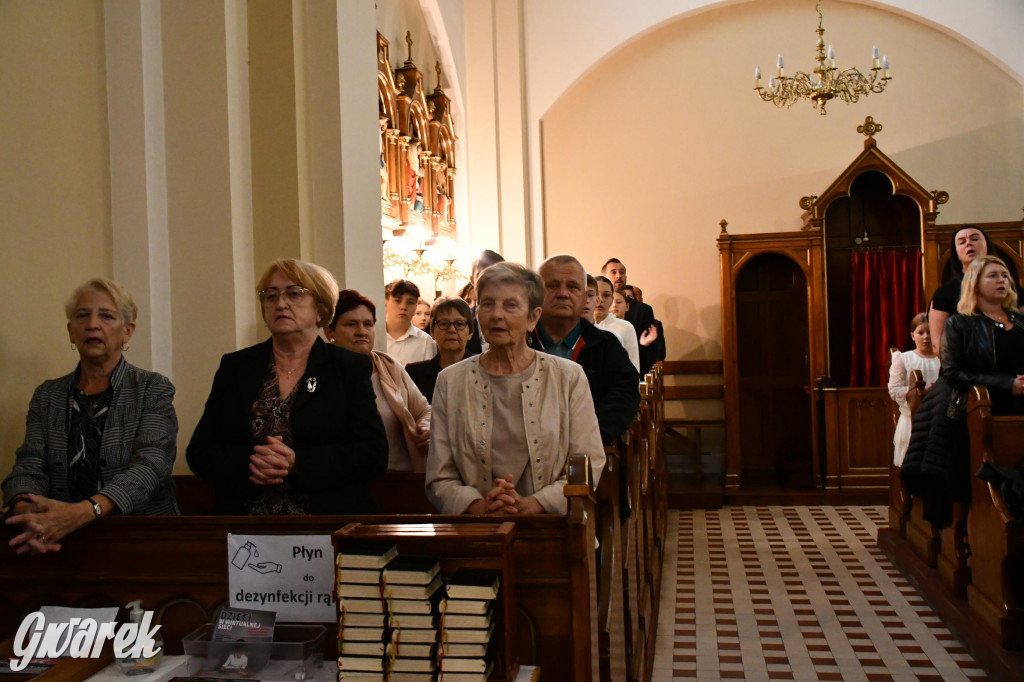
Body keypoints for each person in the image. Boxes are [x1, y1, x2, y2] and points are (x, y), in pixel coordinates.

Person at [186, 259, 387, 514]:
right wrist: (254, 464)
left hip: (328, 520)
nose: (280, 303)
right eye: (270, 296)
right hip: (245, 526)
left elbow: (372, 454)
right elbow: (200, 452)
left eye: (294, 294)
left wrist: (298, 463)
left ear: (320, 310)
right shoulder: (236, 367)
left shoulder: (348, 368)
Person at [3, 278, 178, 555]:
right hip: (62, 542)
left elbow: (151, 467)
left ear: (127, 332)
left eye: (106, 316)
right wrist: (28, 511)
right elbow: (29, 466)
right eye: (82, 315)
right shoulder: (47, 395)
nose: (92, 324)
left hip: (141, 540)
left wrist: (88, 510)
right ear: (71, 331)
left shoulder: (152, 389)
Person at [425, 262, 605, 515]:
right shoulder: (450, 381)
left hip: (550, 528)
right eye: (488, 304)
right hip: (477, 529)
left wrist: (534, 504)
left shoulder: (568, 376)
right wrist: (481, 506)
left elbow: (589, 464)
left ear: (533, 317)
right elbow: (439, 477)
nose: (497, 314)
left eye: (510, 305)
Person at [532, 255, 640, 445]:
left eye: (572, 287)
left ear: (585, 298)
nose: (563, 293)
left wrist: (592, 433)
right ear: (536, 294)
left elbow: (625, 390)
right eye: (553, 286)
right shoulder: (520, 342)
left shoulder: (606, 344)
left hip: (589, 446)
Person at [326, 290, 431, 472]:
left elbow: (423, 410)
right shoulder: (321, 372)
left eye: (368, 324)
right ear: (329, 331)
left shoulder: (388, 366)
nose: (361, 332)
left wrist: (424, 429)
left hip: (398, 479)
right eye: (351, 324)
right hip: (343, 479)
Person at [943, 256, 1024, 418]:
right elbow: (952, 374)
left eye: (1005, 275)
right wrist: (1008, 385)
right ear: (975, 283)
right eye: (993, 276)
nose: (1001, 280)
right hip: (982, 409)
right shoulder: (959, 324)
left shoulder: (1021, 320)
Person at [887, 312, 940, 466]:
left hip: (939, 417)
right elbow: (895, 390)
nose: (926, 337)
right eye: (921, 333)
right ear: (912, 335)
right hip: (913, 420)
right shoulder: (904, 359)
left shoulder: (943, 359)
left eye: (930, 332)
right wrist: (917, 393)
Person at [929, 225, 990, 354]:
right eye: (962, 242)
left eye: (974, 239)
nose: (968, 243)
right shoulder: (944, 293)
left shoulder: (1010, 288)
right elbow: (939, 346)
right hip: (965, 371)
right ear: (956, 252)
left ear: (987, 246)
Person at [405, 297, 474, 402]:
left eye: (459, 324)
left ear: (470, 333)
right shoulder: (415, 374)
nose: (451, 329)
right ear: (432, 332)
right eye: (443, 324)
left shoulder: (483, 369)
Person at [601, 258, 664, 372]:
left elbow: (653, 350)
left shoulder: (643, 309)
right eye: (614, 272)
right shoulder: (596, 305)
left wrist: (643, 345)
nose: (619, 275)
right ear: (605, 277)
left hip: (635, 370)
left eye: (622, 272)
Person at [592, 276, 640, 372]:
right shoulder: (579, 326)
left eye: (606, 295)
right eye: (595, 294)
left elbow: (633, 367)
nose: (600, 299)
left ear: (612, 299)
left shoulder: (625, 327)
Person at [384, 280, 437, 366]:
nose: (403, 307)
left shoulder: (426, 342)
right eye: (397, 301)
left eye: (410, 302)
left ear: (415, 307)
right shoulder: (373, 336)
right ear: (385, 303)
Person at [464, 250, 505, 356]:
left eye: (494, 275)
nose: (488, 281)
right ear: (472, 280)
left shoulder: (518, 317)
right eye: (481, 275)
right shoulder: (462, 321)